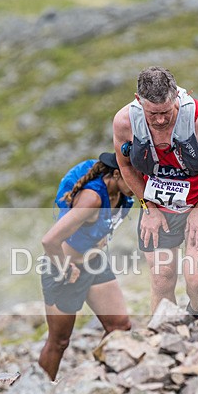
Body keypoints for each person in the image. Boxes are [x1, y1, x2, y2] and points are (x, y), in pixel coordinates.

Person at [112, 66, 198, 320]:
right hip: (157, 207)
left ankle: (196, 313)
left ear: (177, 97)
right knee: (162, 279)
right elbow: (125, 166)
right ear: (139, 101)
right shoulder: (125, 122)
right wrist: (148, 208)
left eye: (166, 112)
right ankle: (165, 339)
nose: (159, 120)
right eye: (152, 113)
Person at [38, 152, 135, 381]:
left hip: (95, 263)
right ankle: (37, 391)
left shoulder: (122, 194)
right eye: (136, 179)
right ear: (116, 174)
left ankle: (93, 378)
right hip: (63, 269)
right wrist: (64, 268)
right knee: (59, 342)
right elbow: (49, 241)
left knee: (120, 326)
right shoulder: (91, 199)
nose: (141, 186)